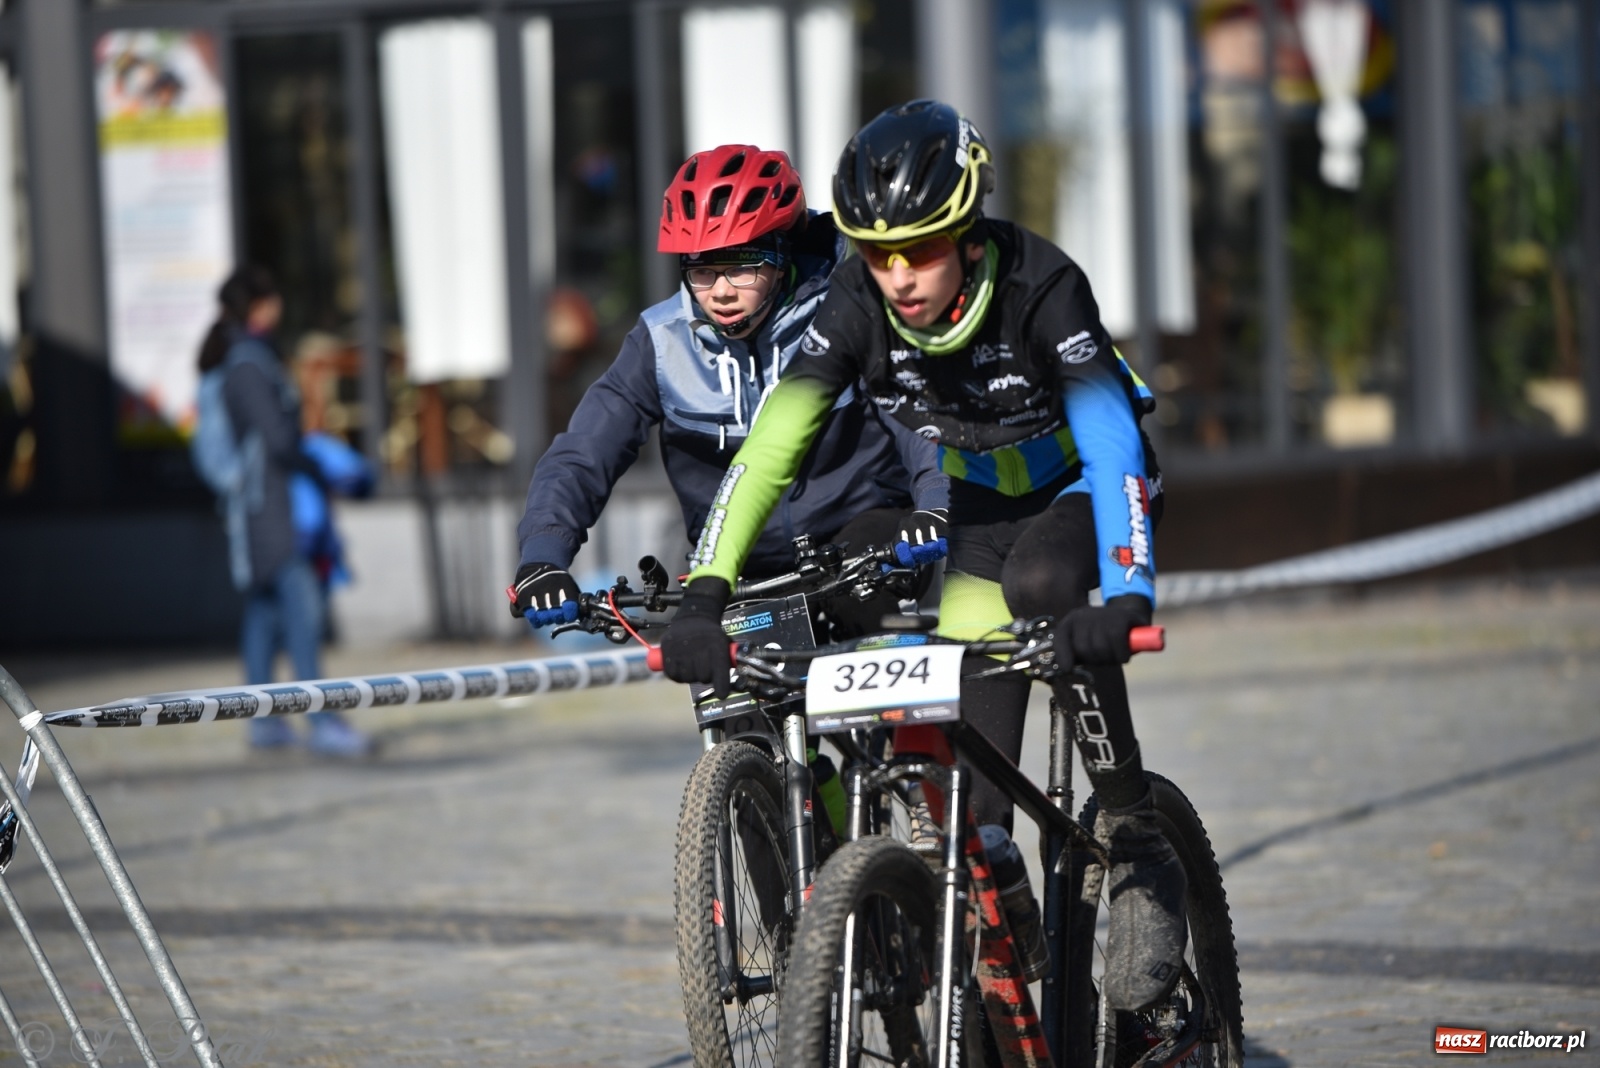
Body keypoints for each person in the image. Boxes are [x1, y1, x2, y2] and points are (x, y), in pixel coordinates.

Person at [659, 102, 1184, 1012]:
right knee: (971, 824)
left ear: (969, 233)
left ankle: (1137, 837)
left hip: (1079, 493)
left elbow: (1109, 441)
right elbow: (774, 443)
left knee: (1047, 586)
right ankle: (1013, 988)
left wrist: (1127, 590)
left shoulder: (1042, 286)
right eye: (875, 252)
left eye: (922, 249)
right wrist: (706, 586)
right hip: (982, 507)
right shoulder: (861, 304)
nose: (898, 277)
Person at [508, 144, 948, 636]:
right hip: (730, 565)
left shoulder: (853, 313)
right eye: (701, 271)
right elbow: (583, 454)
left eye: (741, 267)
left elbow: (921, 420)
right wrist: (544, 557)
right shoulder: (660, 340)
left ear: (783, 256)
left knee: (868, 641)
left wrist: (934, 502)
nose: (719, 292)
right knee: (727, 698)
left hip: (861, 547)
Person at [195, 266, 373, 758]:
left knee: (263, 611)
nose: (280, 311)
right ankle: (322, 722)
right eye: (273, 301)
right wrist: (317, 463)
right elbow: (277, 439)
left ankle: (263, 722)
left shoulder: (231, 359)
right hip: (275, 511)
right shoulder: (251, 363)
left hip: (255, 513)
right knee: (302, 612)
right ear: (260, 305)